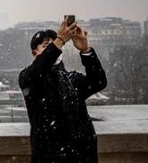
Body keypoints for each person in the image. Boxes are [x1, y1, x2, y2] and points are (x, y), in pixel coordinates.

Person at [18, 16, 108, 163]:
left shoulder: (72, 79)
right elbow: (39, 69)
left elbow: (98, 82)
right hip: (50, 156)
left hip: (82, 155)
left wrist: (85, 50)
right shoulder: (28, 77)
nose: (54, 49)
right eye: (47, 46)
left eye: (56, 46)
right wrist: (59, 40)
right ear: (35, 53)